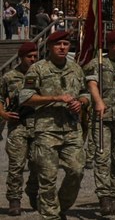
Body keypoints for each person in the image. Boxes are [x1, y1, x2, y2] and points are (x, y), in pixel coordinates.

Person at [20, 30, 90, 220]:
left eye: (66, 44)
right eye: (58, 44)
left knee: (77, 171)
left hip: (72, 129)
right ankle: (51, 216)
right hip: (46, 130)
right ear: (49, 47)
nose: (62, 48)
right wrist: (55, 97)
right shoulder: (38, 69)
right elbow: (25, 98)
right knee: (47, 178)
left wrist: (81, 102)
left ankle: (60, 207)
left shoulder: (75, 68)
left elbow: (86, 92)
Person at [84, 29, 115, 215]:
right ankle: (103, 197)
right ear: (110, 46)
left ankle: (114, 196)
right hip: (102, 117)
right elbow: (91, 83)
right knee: (102, 157)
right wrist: (98, 100)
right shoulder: (98, 63)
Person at [1, 41, 40, 215]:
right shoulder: (10, 77)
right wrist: (3, 114)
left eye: (35, 56)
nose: (33, 59)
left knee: (38, 164)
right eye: (29, 56)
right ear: (21, 57)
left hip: (39, 125)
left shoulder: (42, 74)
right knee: (16, 165)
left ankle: (33, 191)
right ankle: (14, 199)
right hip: (18, 125)